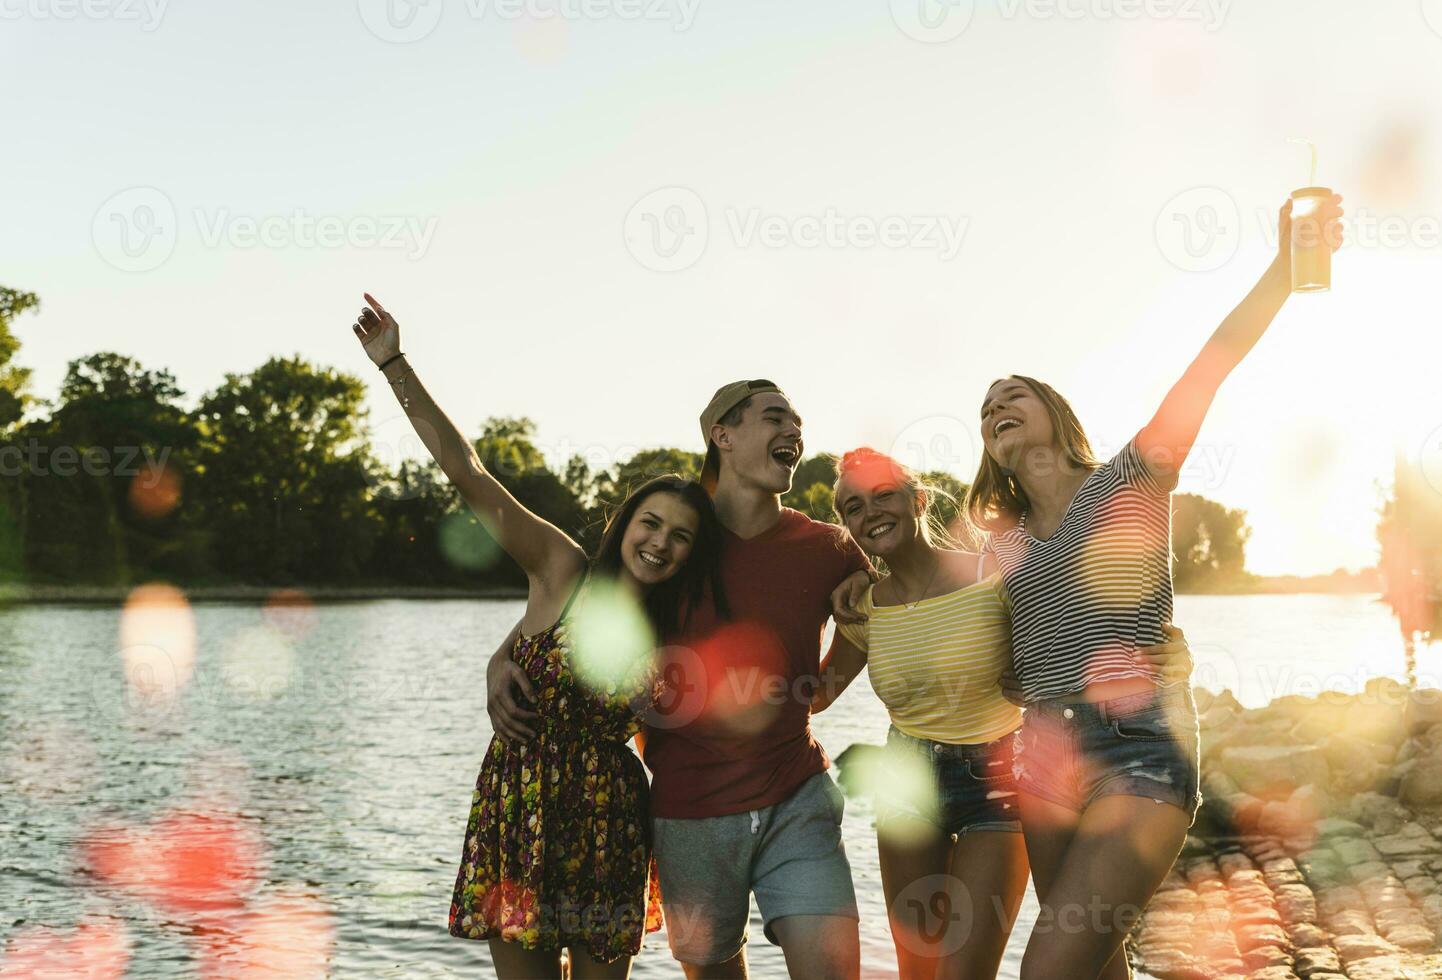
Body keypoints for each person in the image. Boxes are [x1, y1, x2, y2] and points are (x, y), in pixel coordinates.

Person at [965, 192, 1345, 979]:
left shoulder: (1132, 479)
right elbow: (996, 655)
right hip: (1042, 755)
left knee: (1049, 970)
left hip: (1137, 751)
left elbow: (1213, 362)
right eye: (985, 408)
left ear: (1055, 414)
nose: (997, 406)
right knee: (1097, 967)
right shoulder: (997, 546)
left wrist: (1283, 267)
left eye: (1014, 394)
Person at [350, 294, 728, 979]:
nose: (660, 543)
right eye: (651, 523)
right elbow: (470, 473)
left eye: (680, 536)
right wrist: (395, 364)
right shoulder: (562, 571)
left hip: (609, 817)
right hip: (519, 801)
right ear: (626, 523)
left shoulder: (678, 625)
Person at [490, 380, 872, 980]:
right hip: (689, 811)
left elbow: (884, 598)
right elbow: (586, 599)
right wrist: (502, 656)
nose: (794, 433)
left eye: (799, 423)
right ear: (722, 433)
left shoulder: (827, 547)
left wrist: (829, 682)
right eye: (775, 418)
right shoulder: (676, 539)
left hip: (796, 795)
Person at [817, 448, 1189, 980]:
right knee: (916, 971)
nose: (870, 513)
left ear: (918, 500)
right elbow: (812, 694)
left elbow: (1081, 631)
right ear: (847, 525)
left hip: (997, 781)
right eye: (853, 507)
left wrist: (1170, 653)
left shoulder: (996, 577)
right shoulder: (861, 608)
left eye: (884, 496)